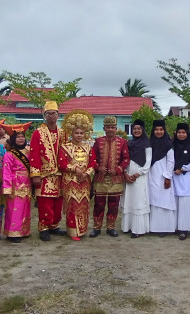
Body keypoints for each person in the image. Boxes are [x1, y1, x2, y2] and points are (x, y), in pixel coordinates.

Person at [29, 101, 67, 241]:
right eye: (48, 114)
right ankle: (44, 227)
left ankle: (54, 225)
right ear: (44, 116)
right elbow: (34, 154)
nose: (51, 116)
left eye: (54, 113)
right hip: (44, 174)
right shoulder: (38, 133)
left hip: (60, 174)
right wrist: (35, 174)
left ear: (58, 115)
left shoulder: (63, 133)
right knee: (45, 202)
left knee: (58, 201)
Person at [58, 111, 96, 241]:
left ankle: (82, 229)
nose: (79, 135)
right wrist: (75, 169)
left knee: (84, 205)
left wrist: (86, 173)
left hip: (85, 181)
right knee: (73, 205)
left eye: (81, 133)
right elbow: (61, 163)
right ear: (71, 133)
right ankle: (73, 231)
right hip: (70, 181)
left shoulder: (88, 148)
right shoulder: (65, 147)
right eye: (76, 133)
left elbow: (92, 162)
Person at [91, 116, 129, 237]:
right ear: (104, 128)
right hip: (100, 178)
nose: (111, 129)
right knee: (99, 204)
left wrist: (117, 170)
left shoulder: (122, 142)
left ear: (116, 128)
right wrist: (98, 168)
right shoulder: (98, 142)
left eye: (113, 127)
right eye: (108, 127)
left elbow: (126, 159)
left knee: (114, 204)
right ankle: (97, 227)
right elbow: (92, 158)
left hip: (115, 179)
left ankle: (111, 227)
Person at [1, 124, 33, 243]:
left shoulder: (28, 151)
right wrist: (7, 188)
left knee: (25, 208)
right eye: (18, 137)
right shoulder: (9, 154)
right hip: (15, 184)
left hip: (27, 183)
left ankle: (24, 231)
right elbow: (7, 172)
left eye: (22, 136)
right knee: (14, 209)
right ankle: (13, 233)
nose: (21, 139)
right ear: (13, 139)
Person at [121, 119, 152, 238]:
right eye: (134, 129)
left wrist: (137, 174)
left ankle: (138, 229)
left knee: (138, 200)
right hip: (128, 174)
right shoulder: (129, 143)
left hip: (139, 176)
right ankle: (128, 226)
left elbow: (148, 162)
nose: (136, 131)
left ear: (143, 130)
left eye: (139, 129)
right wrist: (125, 173)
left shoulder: (147, 143)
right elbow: (124, 159)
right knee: (129, 199)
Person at [148, 120, 177, 236]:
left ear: (164, 131)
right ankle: (153, 227)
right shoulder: (150, 143)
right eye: (156, 130)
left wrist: (167, 177)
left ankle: (165, 227)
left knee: (164, 201)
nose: (158, 132)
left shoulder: (168, 144)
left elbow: (171, 161)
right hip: (151, 175)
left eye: (161, 129)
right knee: (153, 200)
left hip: (163, 176)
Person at [172, 122, 190, 240]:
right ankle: (175, 226)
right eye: (179, 132)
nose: (181, 135)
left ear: (187, 133)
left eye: (183, 132)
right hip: (174, 177)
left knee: (185, 202)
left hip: (186, 178)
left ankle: (185, 228)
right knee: (176, 201)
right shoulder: (173, 145)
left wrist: (182, 168)